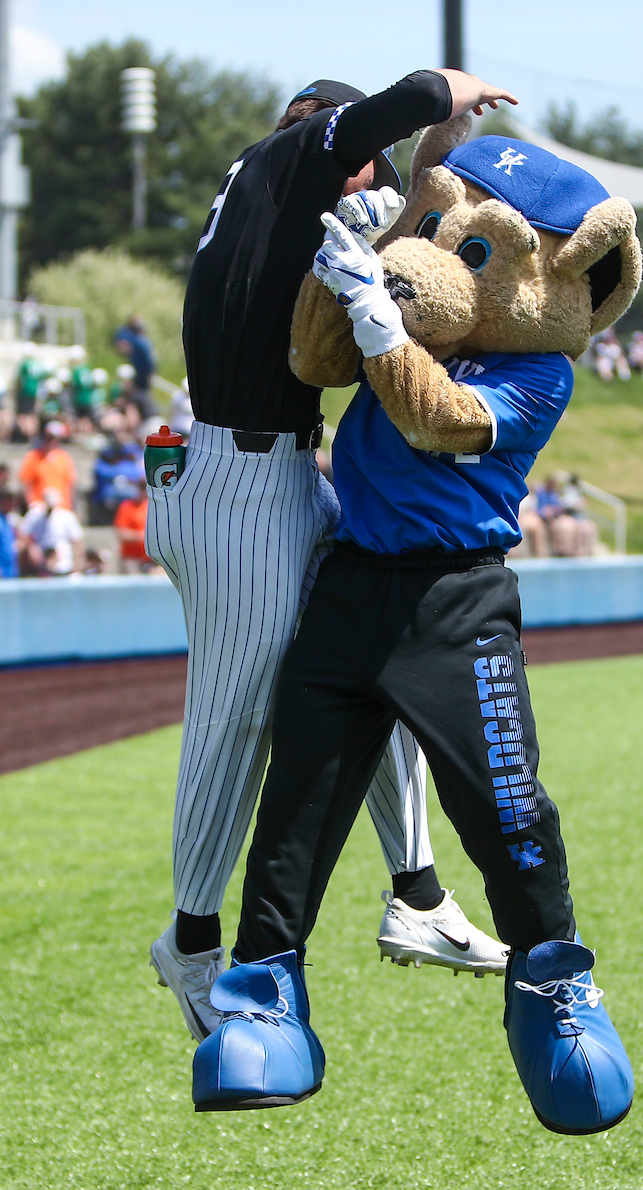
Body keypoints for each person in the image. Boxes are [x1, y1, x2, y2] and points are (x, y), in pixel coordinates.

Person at [146, 68, 518, 1042]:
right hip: (232, 481)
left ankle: (417, 893)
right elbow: (373, 113)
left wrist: (433, 160)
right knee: (231, 721)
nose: (364, 171)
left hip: (270, 475)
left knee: (372, 658)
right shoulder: (280, 163)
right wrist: (440, 91)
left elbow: (398, 218)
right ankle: (189, 942)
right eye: (355, 153)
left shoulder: (299, 207)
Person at [19, 487, 83, 576]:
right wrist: (31, 548)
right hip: (41, 565)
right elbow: (23, 534)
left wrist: (78, 564)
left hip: (63, 564)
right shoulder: (34, 516)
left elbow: (77, 541)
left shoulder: (67, 517)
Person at [18, 422, 77, 509]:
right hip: (39, 506)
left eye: (55, 438)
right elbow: (26, 482)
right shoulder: (33, 456)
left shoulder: (64, 458)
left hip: (61, 507)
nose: (52, 441)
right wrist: (31, 503)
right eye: (49, 438)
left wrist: (69, 506)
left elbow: (69, 484)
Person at [114, 478, 153, 573]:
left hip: (151, 558)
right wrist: (143, 536)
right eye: (141, 487)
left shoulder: (153, 506)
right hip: (132, 558)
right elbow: (121, 533)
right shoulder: (127, 507)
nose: (144, 491)